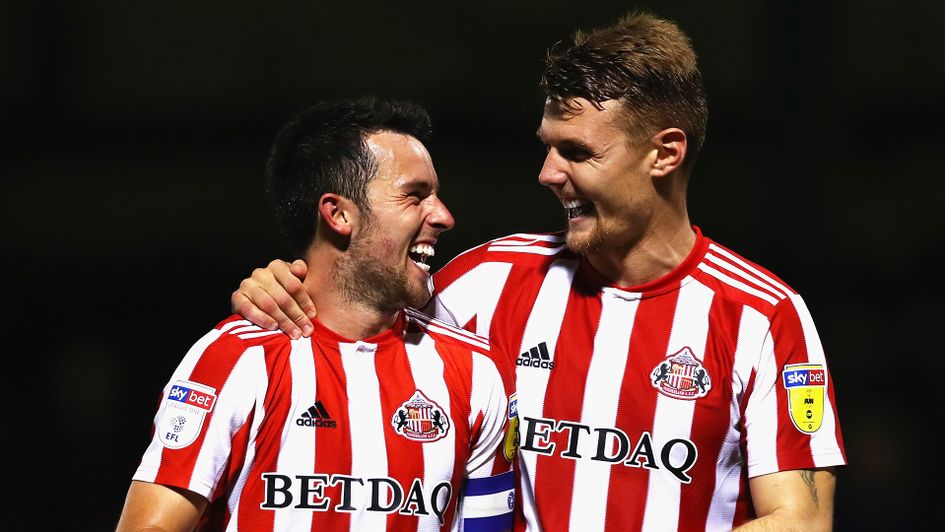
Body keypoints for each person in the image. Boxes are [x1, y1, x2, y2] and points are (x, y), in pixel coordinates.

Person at [230, 12, 846, 531]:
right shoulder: (487, 282)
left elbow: (802, 521)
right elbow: (350, 328)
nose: (548, 173)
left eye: (577, 152)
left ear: (665, 153)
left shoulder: (763, 316)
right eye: (548, 146)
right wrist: (280, 289)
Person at [117, 98, 517, 531]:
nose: (444, 216)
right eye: (414, 196)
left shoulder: (474, 372)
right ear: (338, 214)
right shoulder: (234, 361)